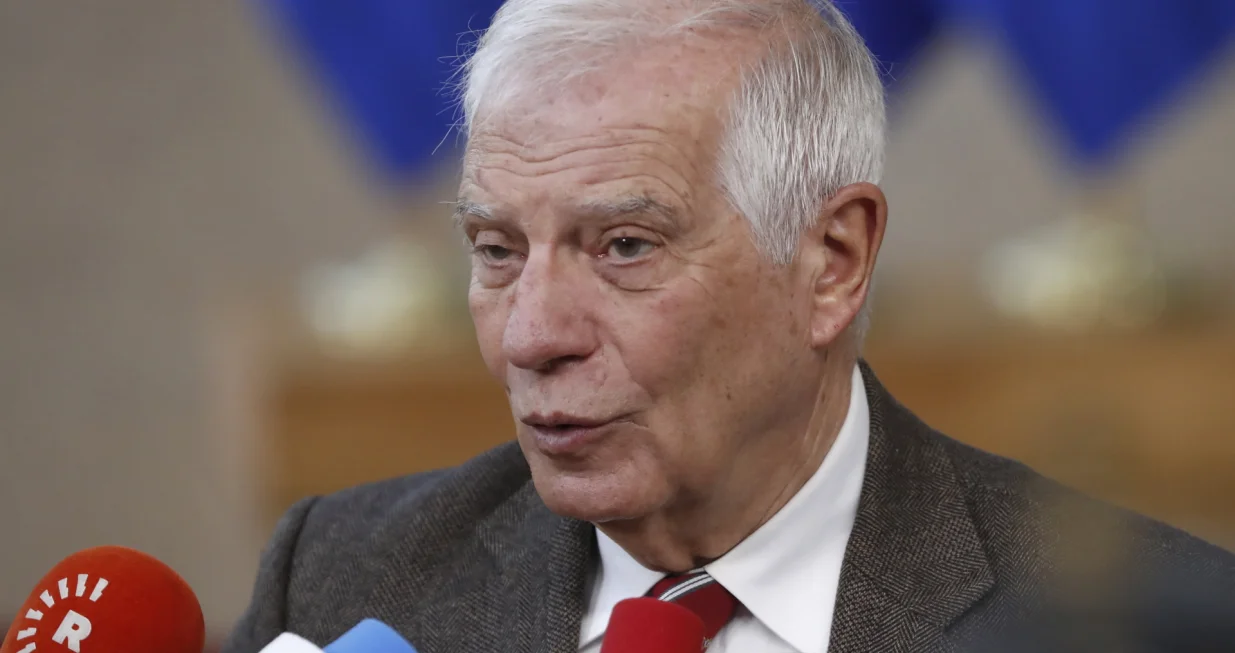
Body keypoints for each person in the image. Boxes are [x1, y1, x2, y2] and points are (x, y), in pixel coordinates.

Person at [223, 1, 1234, 651]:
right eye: (496, 251)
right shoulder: (343, 574)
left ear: (830, 261)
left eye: (623, 246)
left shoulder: (1133, 623)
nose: (530, 335)